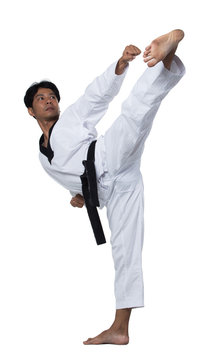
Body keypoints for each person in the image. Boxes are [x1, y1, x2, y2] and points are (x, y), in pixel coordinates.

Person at [24, 29, 185, 345]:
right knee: (125, 251)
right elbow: (69, 174)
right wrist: (78, 195)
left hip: (107, 156)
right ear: (31, 110)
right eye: (41, 98)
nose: (49, 100)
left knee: (135, 112)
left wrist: (121, 65)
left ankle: (168, 47)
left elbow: (94, 96)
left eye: (52, 96)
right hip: (117, 189)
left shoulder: (70, 119)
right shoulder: (43, 157)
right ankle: (120, 329)